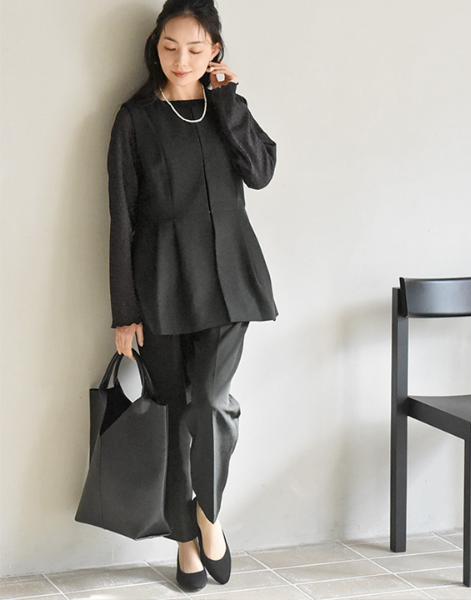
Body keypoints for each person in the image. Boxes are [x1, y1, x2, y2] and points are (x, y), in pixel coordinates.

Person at [106, 0, 278, 591]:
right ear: (155, 47)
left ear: (215, 53)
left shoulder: (225, 108)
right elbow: (122, 218)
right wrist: (124, 312)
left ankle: (207, 516)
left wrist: (229, 101)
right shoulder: (134, 119)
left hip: (231, 280)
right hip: (160, 283)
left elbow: (261, 172)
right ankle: (186, 544)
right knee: (176, 417)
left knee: (209, 401)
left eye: (196, 49)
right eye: (170, 47)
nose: (181, 59)